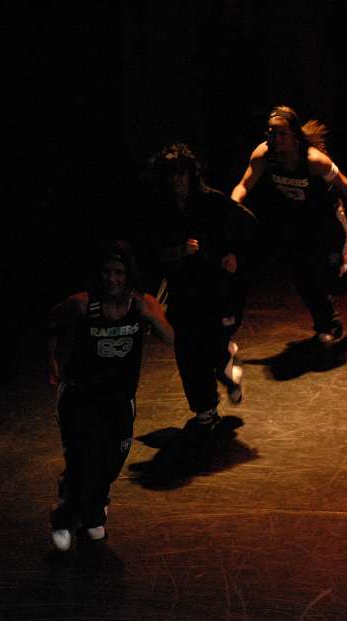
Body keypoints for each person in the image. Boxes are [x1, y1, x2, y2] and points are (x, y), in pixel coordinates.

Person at [46, 241, 174, 551]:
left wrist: (155, 315)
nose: (112, 279)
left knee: (111, 462)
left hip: (119, 399)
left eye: (119, 272)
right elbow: (50, 322)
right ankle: (68, 516)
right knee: (83, 458)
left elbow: (170, 338)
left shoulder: (140, 305)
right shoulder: (82, 304)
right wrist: (52, 360)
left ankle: (91, 499)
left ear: (129, 275)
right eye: (106, 272)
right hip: (81, 397)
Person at [231, 105, 347, 343]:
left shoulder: (313, 160)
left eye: (282, 133)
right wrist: (233, 205)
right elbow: (244, 184)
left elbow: (343, 183)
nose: (275, 138)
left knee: (336, 284)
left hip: (328, 218)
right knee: (301, 275)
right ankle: (327, 324)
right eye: (271, 132)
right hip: (299, 218)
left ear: (294, 136)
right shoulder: (263, 154)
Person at [143, 142, 255, 448]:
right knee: (188, 349)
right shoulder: (159, 209)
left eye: (181, 173)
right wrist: (177, 252)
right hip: (183, 289)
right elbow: (150, 252)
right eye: (170, 174)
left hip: (216, 288)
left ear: (191, 174)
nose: (176, 180)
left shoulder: (212, 202)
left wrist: (235, 255)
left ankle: (226, 362)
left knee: (213, 347)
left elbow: (248, 225)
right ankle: (205, 410)